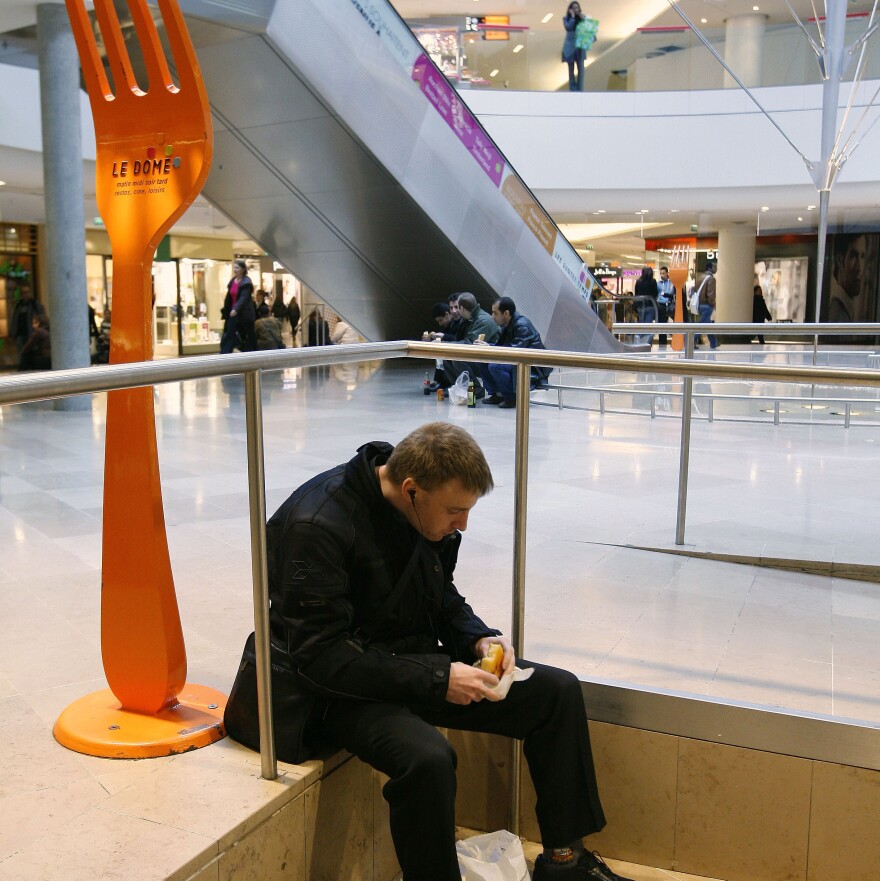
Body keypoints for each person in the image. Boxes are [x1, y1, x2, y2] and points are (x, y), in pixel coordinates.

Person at [242, 422, 632, 881]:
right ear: (410, 490)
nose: (463, 523)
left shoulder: (417, 509)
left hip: (401, 660)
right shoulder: (317, 525)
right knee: (428, 759)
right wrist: (439, 678)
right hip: (329, 691)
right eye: (455, 511)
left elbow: (438, 591)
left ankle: (566, 863)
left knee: (555, 692)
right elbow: (321, 657)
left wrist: (476, 638)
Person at [477, 296, 552, 409]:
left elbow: (514, 352)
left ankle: (511, 397)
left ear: (506, 313)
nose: (492, 317)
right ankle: (497, 394)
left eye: (495, 313)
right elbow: (503, 348)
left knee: (495, 366)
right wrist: (488, 347)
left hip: (531, 366)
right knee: (482, 360)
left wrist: (491, 348)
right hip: (515, 360)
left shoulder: (522, 326)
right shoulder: (508, 325)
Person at [440, 292, 500, 394]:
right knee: (447, 357)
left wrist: (443, 344)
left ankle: (476, 389)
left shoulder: (483, 321)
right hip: (480, 356)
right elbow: (460, 340)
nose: (456, 311)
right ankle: (460, 387)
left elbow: (469, 344)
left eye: (457, 307)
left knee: (458, 358)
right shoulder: (468, 319)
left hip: (490, 358)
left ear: (462, 308)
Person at [828, 233, 867, 322]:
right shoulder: (836, 314)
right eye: (853, 256)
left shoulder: (844, 309)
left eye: (863, 256)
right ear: (840, 260)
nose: (859, 268)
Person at [220, 259, 256, 354]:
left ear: (243, 269)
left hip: (244, 314)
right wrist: (227, 310)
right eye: (234, 267)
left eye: (237, 268)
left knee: (246, 336)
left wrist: (236, 309)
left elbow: (243, 298)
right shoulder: (233, 281)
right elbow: (229, 297)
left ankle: (249, 355)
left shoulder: (246, 282)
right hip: (232, 313)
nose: (235, 270)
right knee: (229, 333)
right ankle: (225, 354)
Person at [11, 287, 45, 356]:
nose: (25, 295)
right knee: (21, 354)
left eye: (27, 292)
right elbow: (14, 319)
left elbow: (41, 313)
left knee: (32, 353)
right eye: (23, 293)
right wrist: (13, 333)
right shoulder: (18, 305)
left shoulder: (34, 304)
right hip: (20, 335)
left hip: (31, 334)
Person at [561, 3, 586, 92]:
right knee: (571, 70)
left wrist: (582, 18)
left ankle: (580, 89)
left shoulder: (582, 18)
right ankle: (572, 90)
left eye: (577, 8)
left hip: (580, 48)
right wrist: (572, 17)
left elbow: (587, 28)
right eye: (574, 8)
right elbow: (568, 27)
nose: (576, 9)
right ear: (570, 9)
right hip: (570, 48)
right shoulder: (566, 19)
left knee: (581, 71)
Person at [633, 266, 658, 346]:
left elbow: (636, 293)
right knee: (648, 324)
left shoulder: (638, 281)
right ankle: (647, 342)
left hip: (640, 305)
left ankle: (640, 340)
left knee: (641, 322)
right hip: (650, 305)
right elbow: (655, 293)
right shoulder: (653, 281)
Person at [697, 261, 718, 350]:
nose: (716, 268)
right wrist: (713, 304)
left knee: (708, 324)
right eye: (714, 267)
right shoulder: (711, 279)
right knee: (702, 325)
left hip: (699, 305)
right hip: (707, 305)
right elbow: (710, 294)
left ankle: (714, 343)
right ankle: (691, 340)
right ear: (709, 268)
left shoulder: (699, 277)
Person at [656, 266, 675, 347]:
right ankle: (662, 342)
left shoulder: (672, 283)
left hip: (670, 304)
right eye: (660, 273)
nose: (662, 275)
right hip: (661, 305)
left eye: (663, 273)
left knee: (674, 322)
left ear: (667, 273)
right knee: (661, 324)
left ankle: (675, 339)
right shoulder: (658, 284)